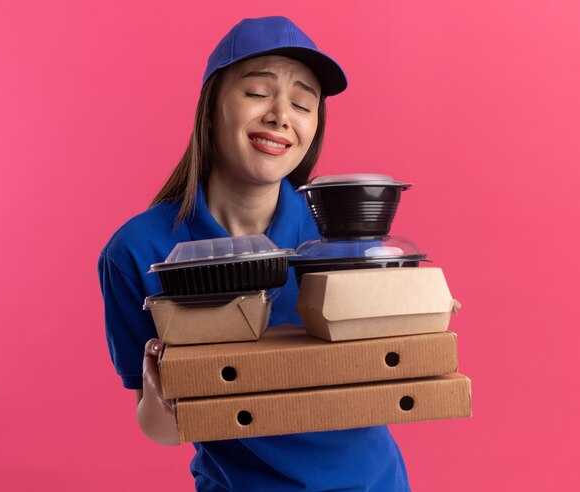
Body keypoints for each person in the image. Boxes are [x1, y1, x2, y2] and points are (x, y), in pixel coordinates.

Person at [98, 16, 410, 491]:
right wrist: (163, 401)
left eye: (303, 102)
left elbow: (391, 374)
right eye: (258, 93)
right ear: (210, 108)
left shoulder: (342, 240)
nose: (281, 115)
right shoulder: (136, 251)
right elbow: (159, 428)